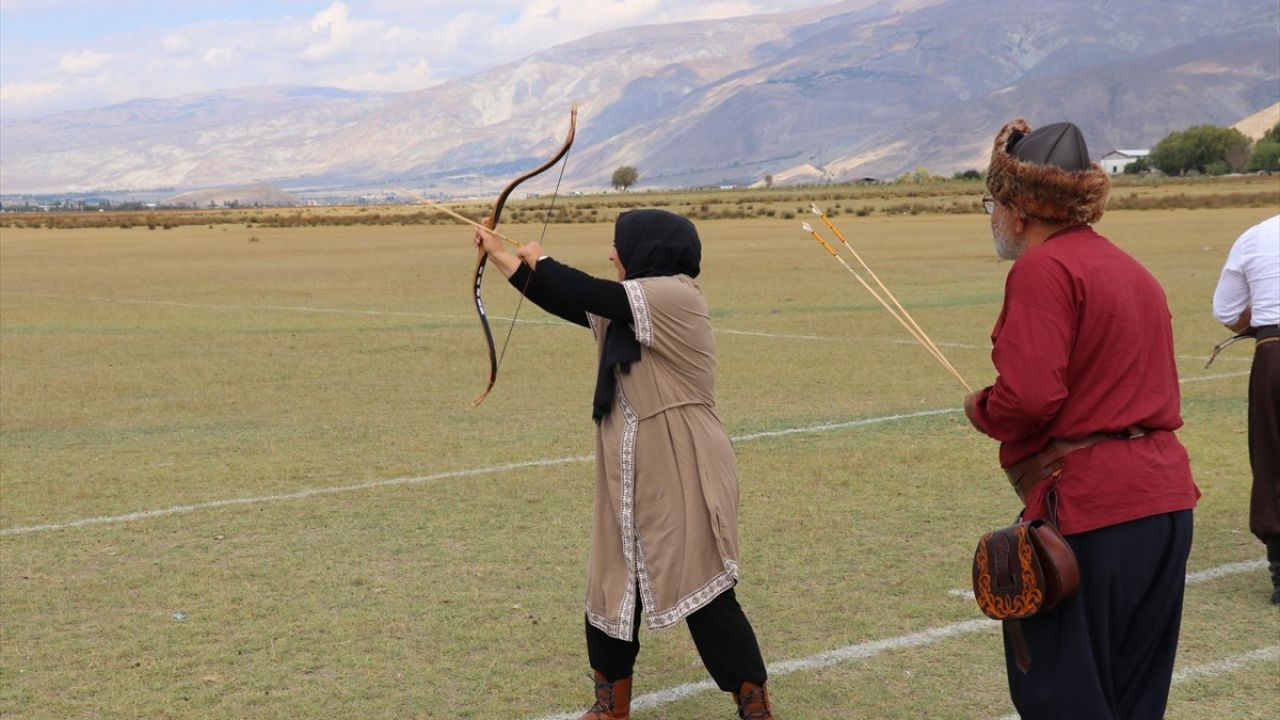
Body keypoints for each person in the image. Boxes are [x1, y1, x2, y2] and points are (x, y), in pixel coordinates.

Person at [474, 209, 775, 720]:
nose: (612, 253)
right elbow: (564, 297)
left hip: (685, 461)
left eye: (619, 245)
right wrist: (500, 255)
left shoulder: (674, 295)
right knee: (612, 583)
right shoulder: (631, 307)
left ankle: (755, 709)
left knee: (702, 588)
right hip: (631, 464)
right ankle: (610, 708)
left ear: (648, 250)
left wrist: (543, 260)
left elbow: (586, 291)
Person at [963, 119, 1201, 719]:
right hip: (1164, 501)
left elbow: (1030, 399)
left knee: (1063, 693)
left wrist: (982, 408)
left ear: (1018, 209)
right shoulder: (1129, 268)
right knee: (1133, 694)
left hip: (1094, 509)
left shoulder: (1042, 270)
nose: (992, 216)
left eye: (994, 203)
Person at [1211, 213, 1280, 605]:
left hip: (1273, 352)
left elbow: (1227, 311)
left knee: (1273, 461)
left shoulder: (1256, 236)